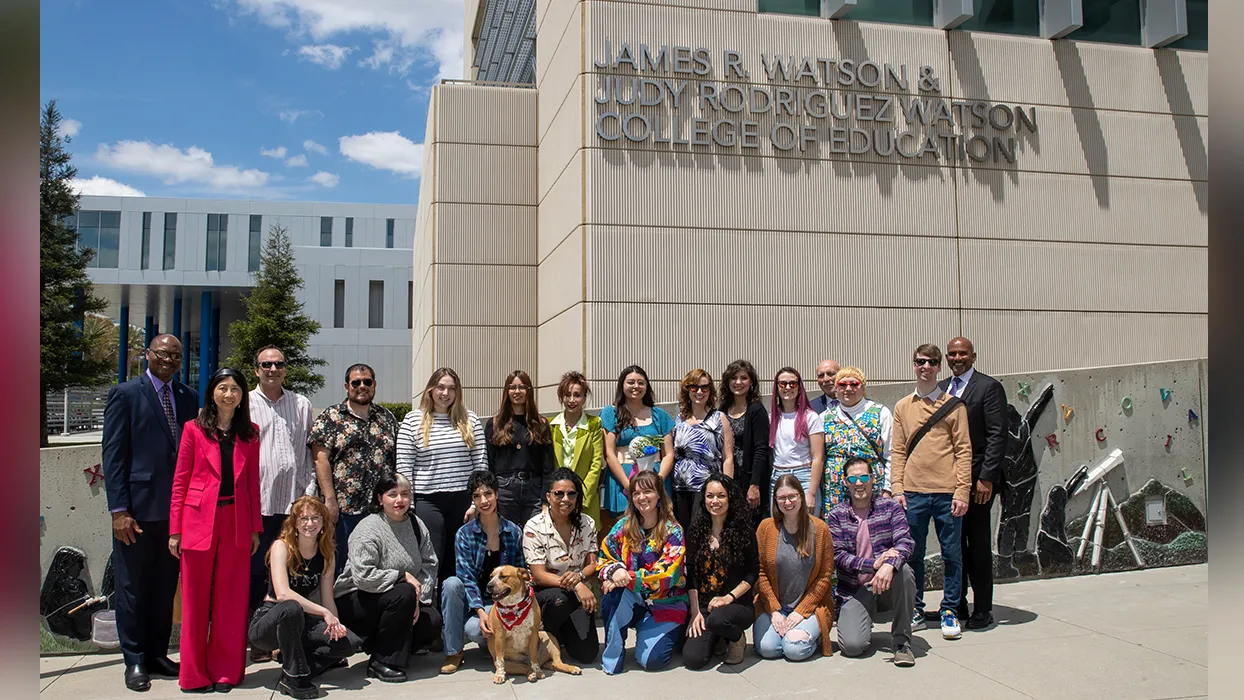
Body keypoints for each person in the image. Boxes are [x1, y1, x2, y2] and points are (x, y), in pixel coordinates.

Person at [100, 334, 199, 692]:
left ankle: (158, 653)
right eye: (162, 354)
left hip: (175, 514)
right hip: (136, 514)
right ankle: (136, 660)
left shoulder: (188, 397)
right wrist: (119, 510)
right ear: (148, 354)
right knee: (131, 589)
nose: (169, 360)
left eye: (175, 355)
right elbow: (113, 456)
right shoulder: (126, 394)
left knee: (162, 588)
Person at [169, 367, 263, 692]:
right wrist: (175, 530)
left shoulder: (250, 432)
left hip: (235, 521)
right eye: (222, 388)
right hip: (197, 521)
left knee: (231, 600)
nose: (228, 394)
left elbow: (252, 484)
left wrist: (254, 528)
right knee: (194, 601)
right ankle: (193, 675)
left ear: (242, 396)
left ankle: (225, 671)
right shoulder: (194, 429)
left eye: (235, 389)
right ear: (212, 392)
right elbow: (180, 481)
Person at [890, 343, 973, 640]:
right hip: (912, 493)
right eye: (920, 361)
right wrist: (897, 488)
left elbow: (964, 451)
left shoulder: (954, 406)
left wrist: (962, 491)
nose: (926, 366)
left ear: (940, 367)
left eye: (932, 362)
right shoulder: (902, 407)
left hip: (947, 493)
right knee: (914, 554)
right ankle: (916, 608)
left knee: (952, 553)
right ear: (913, 365)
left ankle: (950, 609)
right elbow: (897, 450)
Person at [248, 496, 361, 699]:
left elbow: (328, 600)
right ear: (295, 523)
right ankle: (294, 676)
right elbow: (282, 594)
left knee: (349, 643)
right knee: (291, 607)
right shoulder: (281, 547)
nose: (310, 524)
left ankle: (297, 662)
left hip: (302, 622)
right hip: (270, 622)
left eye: (316, 518)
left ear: (324, 522)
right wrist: (324, 612)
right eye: (303, 518)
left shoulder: (327, 553)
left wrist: (335, 625)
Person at [332, 474, 440, 684]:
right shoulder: (368, 528)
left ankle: (386, 645)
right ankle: (382, 662)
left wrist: (420, 599)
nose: (399, 500)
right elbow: (362, 576)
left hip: (401, 599)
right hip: (357, 599)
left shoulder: (416, 524)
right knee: (404, 592)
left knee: (432, 621)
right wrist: (401, 576)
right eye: (392, 495)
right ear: (380, 499)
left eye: (405, 494)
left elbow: (429, 564)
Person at [396, 367, 487, 585]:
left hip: (462, 500)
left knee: (459, 560)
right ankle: (429, 610)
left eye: (451, 389)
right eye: (440, 387)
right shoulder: (412, 421)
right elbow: (404, 466)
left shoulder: (470, 420)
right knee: (431, 558)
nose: (445, 393)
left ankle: (456, 610)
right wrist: (408, 503)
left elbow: (481, 465)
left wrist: (476, 503)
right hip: (429, 500)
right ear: (430, 390)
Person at [941, 337, 1007, 630]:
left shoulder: (989, 387)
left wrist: (986, 479)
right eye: (953, 354)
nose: (958, 358)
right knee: (954, 545)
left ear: (973, 356)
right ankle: (957, 604)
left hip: (977, 481)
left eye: (963, 354)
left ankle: (984, 608)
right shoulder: (941, 389)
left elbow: (997, 436)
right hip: (949, 481)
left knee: (977, 545)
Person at [308, 364, 398, 576]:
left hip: (380, 510)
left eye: (367, 382)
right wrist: (329, 500)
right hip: (345, 510)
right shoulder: (331, 417)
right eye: (356, 382)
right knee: (341, 566)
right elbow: (320, 459)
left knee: (378, 564)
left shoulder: (387, 418)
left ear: (374, 385)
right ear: (347, 386)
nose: (362, 386)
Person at [248, 346, 316, 624]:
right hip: (258, 506)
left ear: (286, 369)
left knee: (292, 572)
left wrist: (308, 496)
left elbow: (308, 453)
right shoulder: (244, 404)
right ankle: (258, 634)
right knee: (256, 572)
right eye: (266, 365)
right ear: (256, 370)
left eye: (278, 364)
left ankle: (286, 634)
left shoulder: (301, 404)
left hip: (293, 505)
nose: (272, 369)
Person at [826, 458, 917, 667]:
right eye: (853, 479)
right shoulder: (836, 515)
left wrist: (888, 565)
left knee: (904, 572)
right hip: (855, 590)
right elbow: (838, 556)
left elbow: (905, 542)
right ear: (845, 482)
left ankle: (902, 642)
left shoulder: (890, 508)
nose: (859, 483)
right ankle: (863, 621)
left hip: (887, 586)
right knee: (852, 647)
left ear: (873, 479)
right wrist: (874, 564)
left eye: (864, 477)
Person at [597, 470, 688, 674]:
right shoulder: (624, 526)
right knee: (612, 594)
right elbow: (604, 558)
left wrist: (625, 577)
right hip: (635, 600)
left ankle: (671, 633)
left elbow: (666, 574)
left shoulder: (673, 531)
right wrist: (614, 570)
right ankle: (613, 658)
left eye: (647, 491)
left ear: (659, 495)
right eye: (636, 493)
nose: (641, 497)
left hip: (666, 602)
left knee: (651, 662)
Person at [439, 470, 528, 674]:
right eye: (477, 496)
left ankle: (494, 644)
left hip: (503, 604)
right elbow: (466, 578)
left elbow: (520, 573)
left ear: (496, 494)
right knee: (452, 584)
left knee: (479, 631)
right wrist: (480, 612)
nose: (484, 500)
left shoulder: (513, 531)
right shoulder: (464, 534)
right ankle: (454, 652)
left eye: (488, 493)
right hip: (475, 603)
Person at [522, 468, 601, 664]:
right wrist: (576, 584)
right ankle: (543, 634)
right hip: (547, 593)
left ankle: (562, 635)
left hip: (578, 594)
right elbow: (539, 575)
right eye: (559, 493)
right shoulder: (534, 526)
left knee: (587, 654)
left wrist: (580, 577)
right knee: (560, 600)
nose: (565, 499)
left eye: (571, 494)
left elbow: (592, 564)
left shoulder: (587, 523)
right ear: (549, 496)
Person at [753, 475, 835, 662]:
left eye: (792, 496)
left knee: (794, 650)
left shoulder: (820, 529)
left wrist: (801, 611)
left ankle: (807, 636)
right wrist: (774, 610)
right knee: (768, 649)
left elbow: (825, 576)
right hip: (775, 607)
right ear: (775, 500)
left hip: (810, 608)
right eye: (782, 498)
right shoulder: (766, 528)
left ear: (801, 496)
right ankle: (790, 635)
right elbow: (761, 572)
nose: (787, 502)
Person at [682, 474, 758, 670]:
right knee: (693, 659)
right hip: (706, 604)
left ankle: (736, 638)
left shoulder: (743, 530)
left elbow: (752, 573)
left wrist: (728, 598)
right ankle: (717, 638)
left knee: (718, 620)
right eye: (710, 496)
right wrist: (695, 611)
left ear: (730, 498)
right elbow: (690, 574)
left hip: (736, 604)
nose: (715, 501)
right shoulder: (697, 531)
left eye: (721, 496)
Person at [599, 365, 675, 537]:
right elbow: (609, 454)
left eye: (641, 383)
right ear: (622, 385)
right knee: (625, 531)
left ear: (647, 386)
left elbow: (668, 453)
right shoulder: (611, 413)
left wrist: (658, 482)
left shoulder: (660, 415)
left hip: (655, 475)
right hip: (623, 478)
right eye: (631, 382)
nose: (636, 386)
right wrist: (629, 486)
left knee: (658, 529)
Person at [663, 368, 734, 528]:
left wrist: (727, 488)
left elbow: (728, 457)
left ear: (710, 391)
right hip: (681, 488)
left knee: (703, 533)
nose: (699, 392)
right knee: (683, 532)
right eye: (694, 388)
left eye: (704, 387)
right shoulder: (678, 419)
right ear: (687, 390)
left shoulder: (719, 418)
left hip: (708, 489)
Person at [485, 370, 556, 526]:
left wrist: (545, 500)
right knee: (507, 537)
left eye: (522, 387)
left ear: (528, 391)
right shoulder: (495, 424)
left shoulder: (541, 423)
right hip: (504, 490)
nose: (517, 391)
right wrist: (491, 493)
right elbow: (488, 464)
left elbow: (548, 466)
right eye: (512, 387)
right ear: (506, 391)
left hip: (534, 491)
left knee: (534, 538)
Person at [821, 366, 893, 515]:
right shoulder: (824, 418)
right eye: (842, 385)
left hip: (872, 489)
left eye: (854, 384)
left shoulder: (880, 413)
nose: (848, 389)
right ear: (836, 388)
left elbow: (891, 454)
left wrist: (888, 488)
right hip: (836, 492)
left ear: (863, 387)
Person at [549, 371, 604, 530]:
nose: (572, 400)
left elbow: (596, 463)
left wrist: (580, 497)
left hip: (585, 499)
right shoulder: (551, 426)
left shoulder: (594, 424)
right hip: (557, 499)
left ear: (584, 398)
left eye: (577, 395)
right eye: (567, 395)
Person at [768, 367, 825, 516]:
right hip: (777, 477)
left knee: (808, 530)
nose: (787, 387)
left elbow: (817, 457)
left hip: (804, 477)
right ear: (777, 387)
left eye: (792, 384)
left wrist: (811, 493)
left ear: (799, 387)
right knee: (779, 530)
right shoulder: (771, 418)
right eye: (782, 384)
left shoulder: (811, 417)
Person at [720, 360, 771, 524]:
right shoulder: (722, 410)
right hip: (728, 478)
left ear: (751, 383)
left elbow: (761, 449)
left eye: (744, 378)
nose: (738, 382)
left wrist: (754, 485)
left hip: (749, 481)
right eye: (734, 378)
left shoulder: (756, 410)